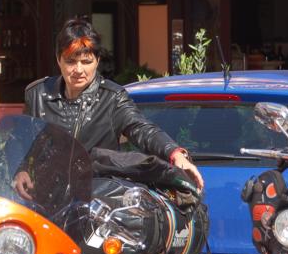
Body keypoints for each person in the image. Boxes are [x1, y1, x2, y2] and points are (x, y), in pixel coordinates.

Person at [16, 17, 203, 200]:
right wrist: (20, 169)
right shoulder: (38, 94)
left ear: (97, 61)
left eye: (86, 61)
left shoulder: (112, 97)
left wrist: (175, 154)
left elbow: (142, 128)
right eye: (71, 61)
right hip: (46, 198)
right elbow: (21, 140)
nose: (79, 70)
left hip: (97, 200)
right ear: (59, 60)